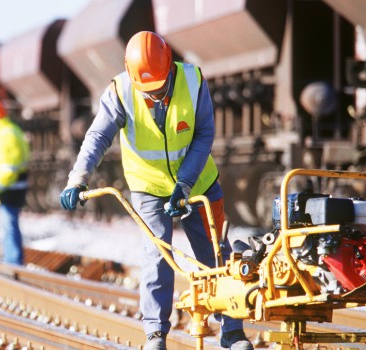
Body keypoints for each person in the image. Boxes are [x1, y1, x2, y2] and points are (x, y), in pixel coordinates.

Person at [60, 31, 253, 350]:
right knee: (156, 255)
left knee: (215, 253)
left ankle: (232, 331)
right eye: (147, 90)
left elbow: (204, 135)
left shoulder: (193, 81)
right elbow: (97, 137)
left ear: (170, 67)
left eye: (160, 87)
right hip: (148, 187)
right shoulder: (120, 91)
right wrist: (77, 178)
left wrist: (184, 185)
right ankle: (155, 333)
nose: (155, 96)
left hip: (198, 184)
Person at [0, 97, 30, 265]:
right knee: (8, 226)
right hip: (10, 187)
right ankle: (12, 260)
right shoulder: (6, 131)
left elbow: (9, 169)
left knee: (9, 225)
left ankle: (14, 263)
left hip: (10, 188)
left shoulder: (5, 134)